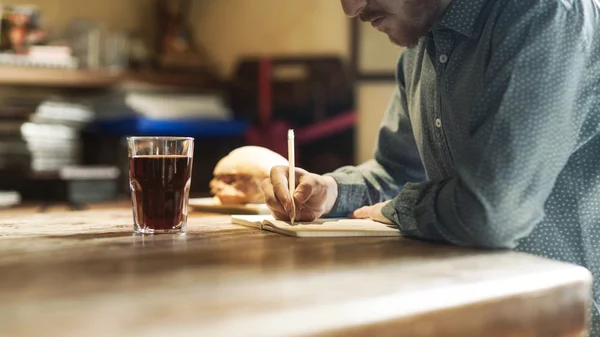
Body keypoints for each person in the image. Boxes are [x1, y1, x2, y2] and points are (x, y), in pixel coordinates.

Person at [261, 0, 600, 334]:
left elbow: (490, 214)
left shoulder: (545, 12)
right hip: (473, 308)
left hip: (567, 318)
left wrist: (401, 208)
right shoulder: (420, 48)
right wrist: (331, 191)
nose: (351, 9)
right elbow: (398, 172)